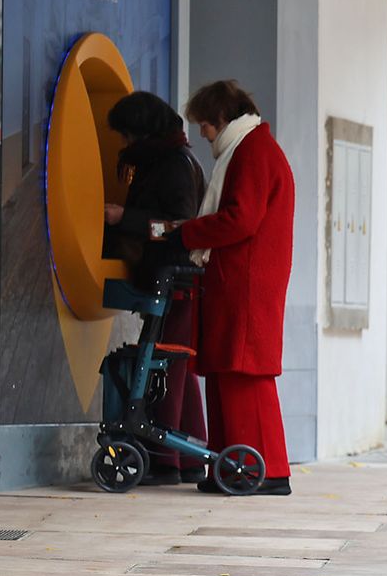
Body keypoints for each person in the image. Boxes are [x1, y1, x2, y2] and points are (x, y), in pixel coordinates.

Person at [169, 80, 296, 495]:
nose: (204, 135)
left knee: (243, 372)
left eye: (205, 125)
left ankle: (262, 469)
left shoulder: (252, 151)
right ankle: (232, 467)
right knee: (230, 371)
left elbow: (241, 218)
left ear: (221, 118)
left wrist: (188, 233)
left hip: (246, 282)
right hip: (239, 280)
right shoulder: (251, 148)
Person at [103, 91, 208, 484]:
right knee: (176, 366)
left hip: (174, 280)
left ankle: (166, 460)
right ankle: (188, 458)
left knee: (168, 370)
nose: (126, 145)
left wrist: (124, 218)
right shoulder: (166, 160)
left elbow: (180, 226)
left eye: (129, 135)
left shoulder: (174, 165)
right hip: (168, 279)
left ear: (144, 132)